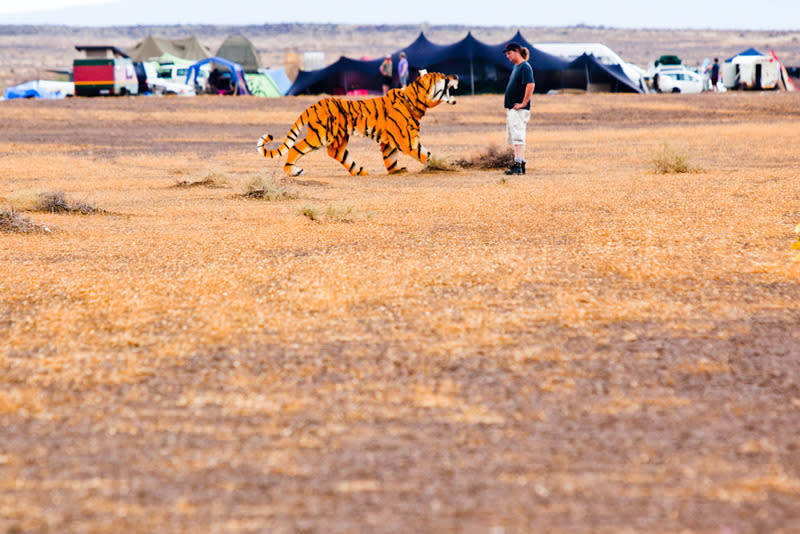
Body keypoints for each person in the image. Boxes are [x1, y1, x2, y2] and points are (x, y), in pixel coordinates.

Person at [502, 42, 535, 175]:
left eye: (509, 53)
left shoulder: (525, 67)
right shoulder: (517, 67)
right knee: (514, 137)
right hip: (513, 108)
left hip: (519, 109)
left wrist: (523, 103)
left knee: (518, 137)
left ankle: (519, 164)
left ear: (517, 51)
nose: (508, 57)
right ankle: (518, 162)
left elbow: (530, 85)